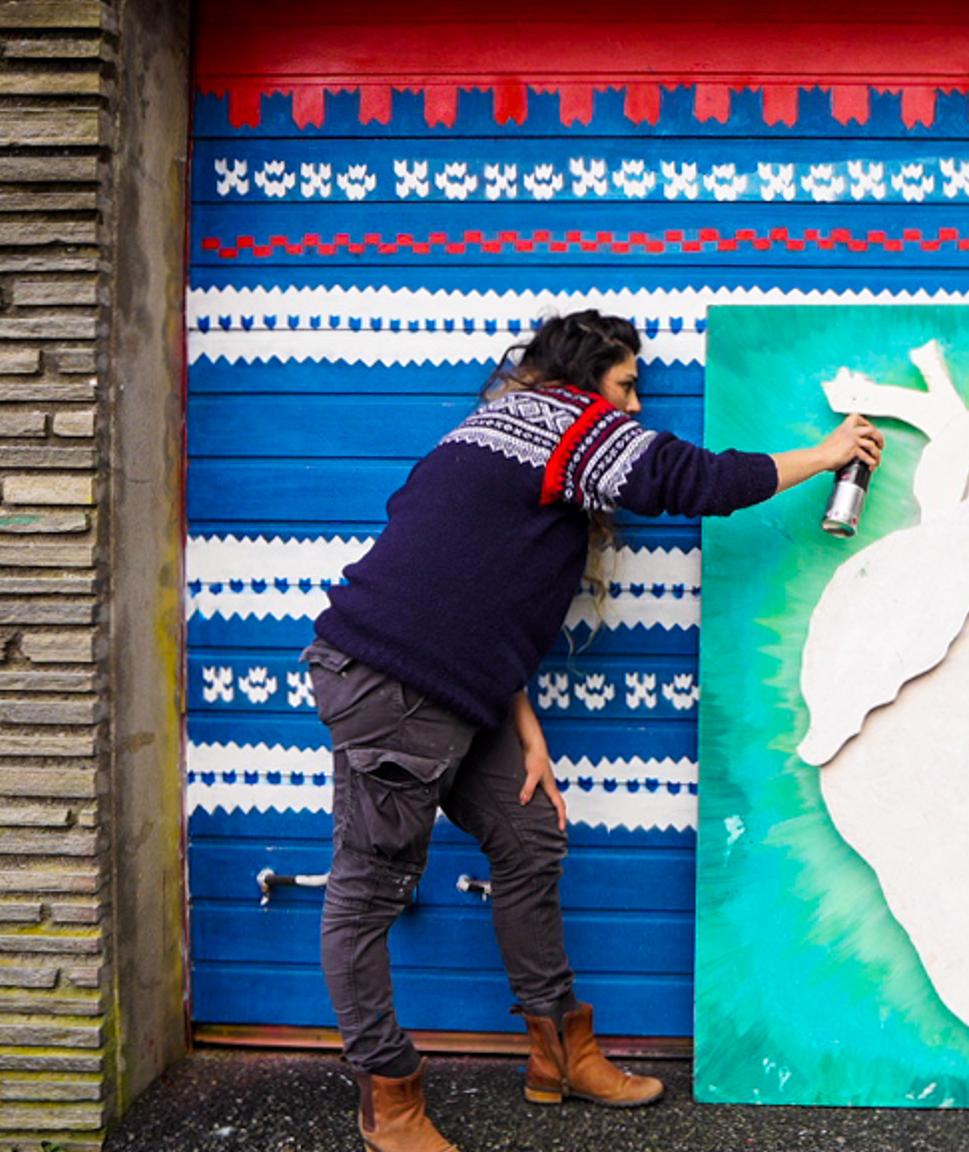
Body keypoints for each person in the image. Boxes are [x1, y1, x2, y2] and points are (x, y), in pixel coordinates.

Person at [302, 309, 882, 1152]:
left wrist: (523, 726)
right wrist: (827, 455)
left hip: (457, 688)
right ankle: (389, 1097)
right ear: (583, 379)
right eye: (627, 385)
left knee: (529, 836)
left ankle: (559, 1053)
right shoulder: (564, 421)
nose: (636, 406)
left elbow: (472, 593)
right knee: (369, 889)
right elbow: (698, 482)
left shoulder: (505, 427)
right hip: (393, 685)